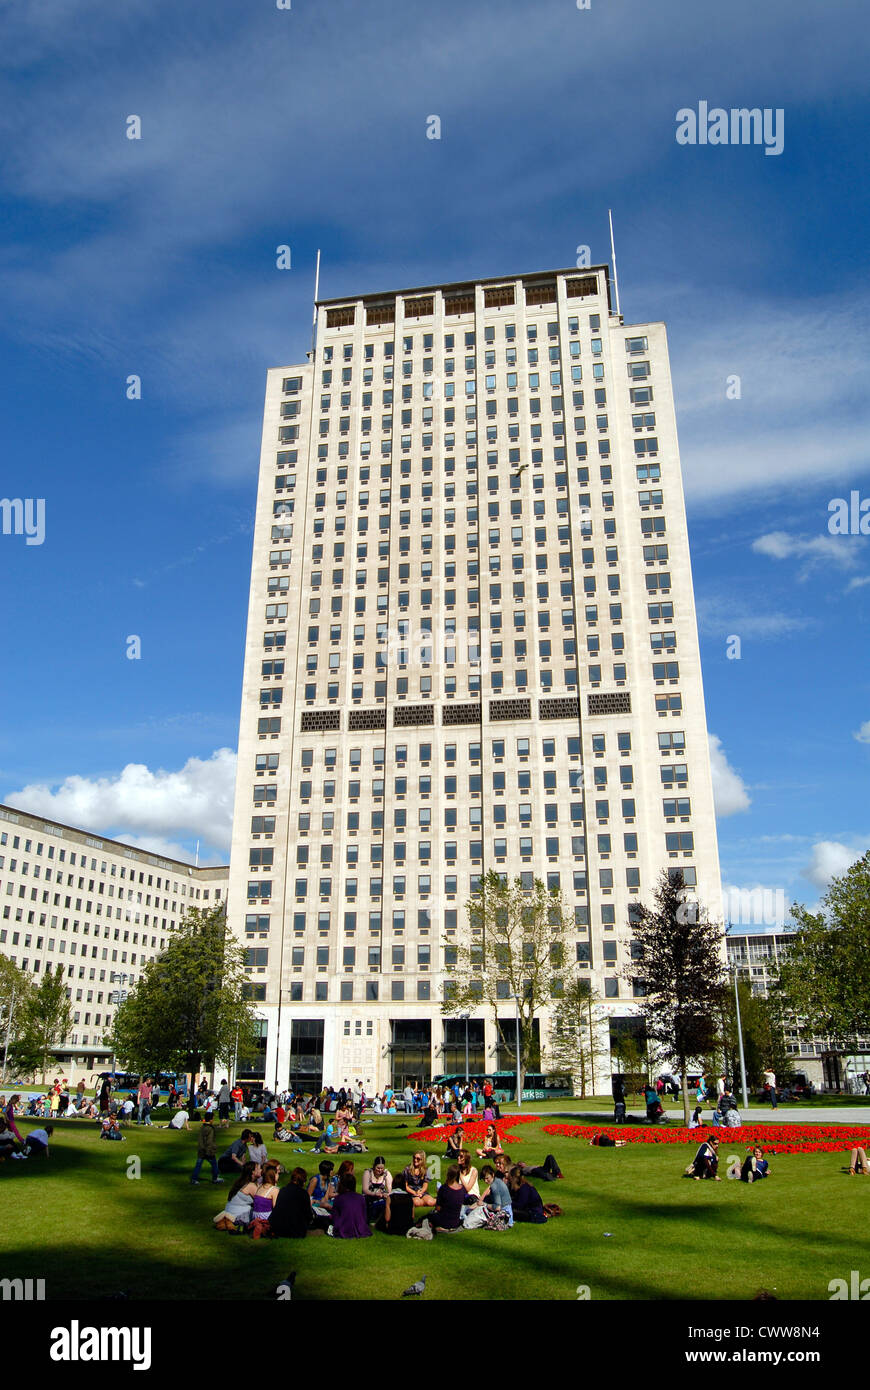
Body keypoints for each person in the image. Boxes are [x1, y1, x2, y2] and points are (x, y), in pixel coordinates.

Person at [214, 1162, 260, 1231]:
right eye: (259, 1168)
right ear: (253, 1172)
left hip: (229, 1211)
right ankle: (231, 1221)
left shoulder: (240, 1181)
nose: (261, 1170)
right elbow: (262, 1201)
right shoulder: (251, 1186)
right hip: (238, 1214)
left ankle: (226, 1220)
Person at [270, 1166, 313, 1237]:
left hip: (278, 1227)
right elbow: (308, 1214)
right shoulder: (303, 1193)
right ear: (303, 1181)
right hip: (295, 1230)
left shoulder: (283, 1190)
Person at [329, 1172, 371, 1238]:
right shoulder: (361, 1197)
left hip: (344, 1228)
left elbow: (335, 1217)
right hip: (361, 1227)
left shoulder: (339, 1198)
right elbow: (364, 1215)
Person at [431, 1164, 466, 1232]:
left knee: (428, 1217)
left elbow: (438, 1208)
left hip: (443, 1221)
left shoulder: (444, 1189)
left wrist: (439, 1195)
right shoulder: (462, 1189)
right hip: (455, 1222)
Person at [249, 1162, 280, 1238]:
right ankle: (264, 1228)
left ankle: (259, 1226)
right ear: (273, 1175)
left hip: (255, 1215)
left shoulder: (260, 1186)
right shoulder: (274, 1189)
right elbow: (275, 1208)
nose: (278, 1176)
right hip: (265, 1216)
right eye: (277, 1174)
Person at [191, 1114, 224, 1185]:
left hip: (201, 1149)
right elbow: (210, 1141)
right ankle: (215, 1178)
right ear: (211, 1120)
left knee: (198, 1165)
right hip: (208, 1150)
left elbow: (200, 1139)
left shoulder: (202, 1127)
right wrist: (211, 1150)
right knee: (214, 1164)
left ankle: (194, 1178)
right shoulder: (210, 1129)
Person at [362, 1156, 392, 1221]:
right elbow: (365, 1189)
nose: (380, 1170)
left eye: (382, 1168)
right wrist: (375, 1194)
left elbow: (390, 1190)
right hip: (368, 1198)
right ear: (374, 1166)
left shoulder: (386, 1174)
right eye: (378, 1168)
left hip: (381, 1199)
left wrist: (386, 1194)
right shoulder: (368, 1173)